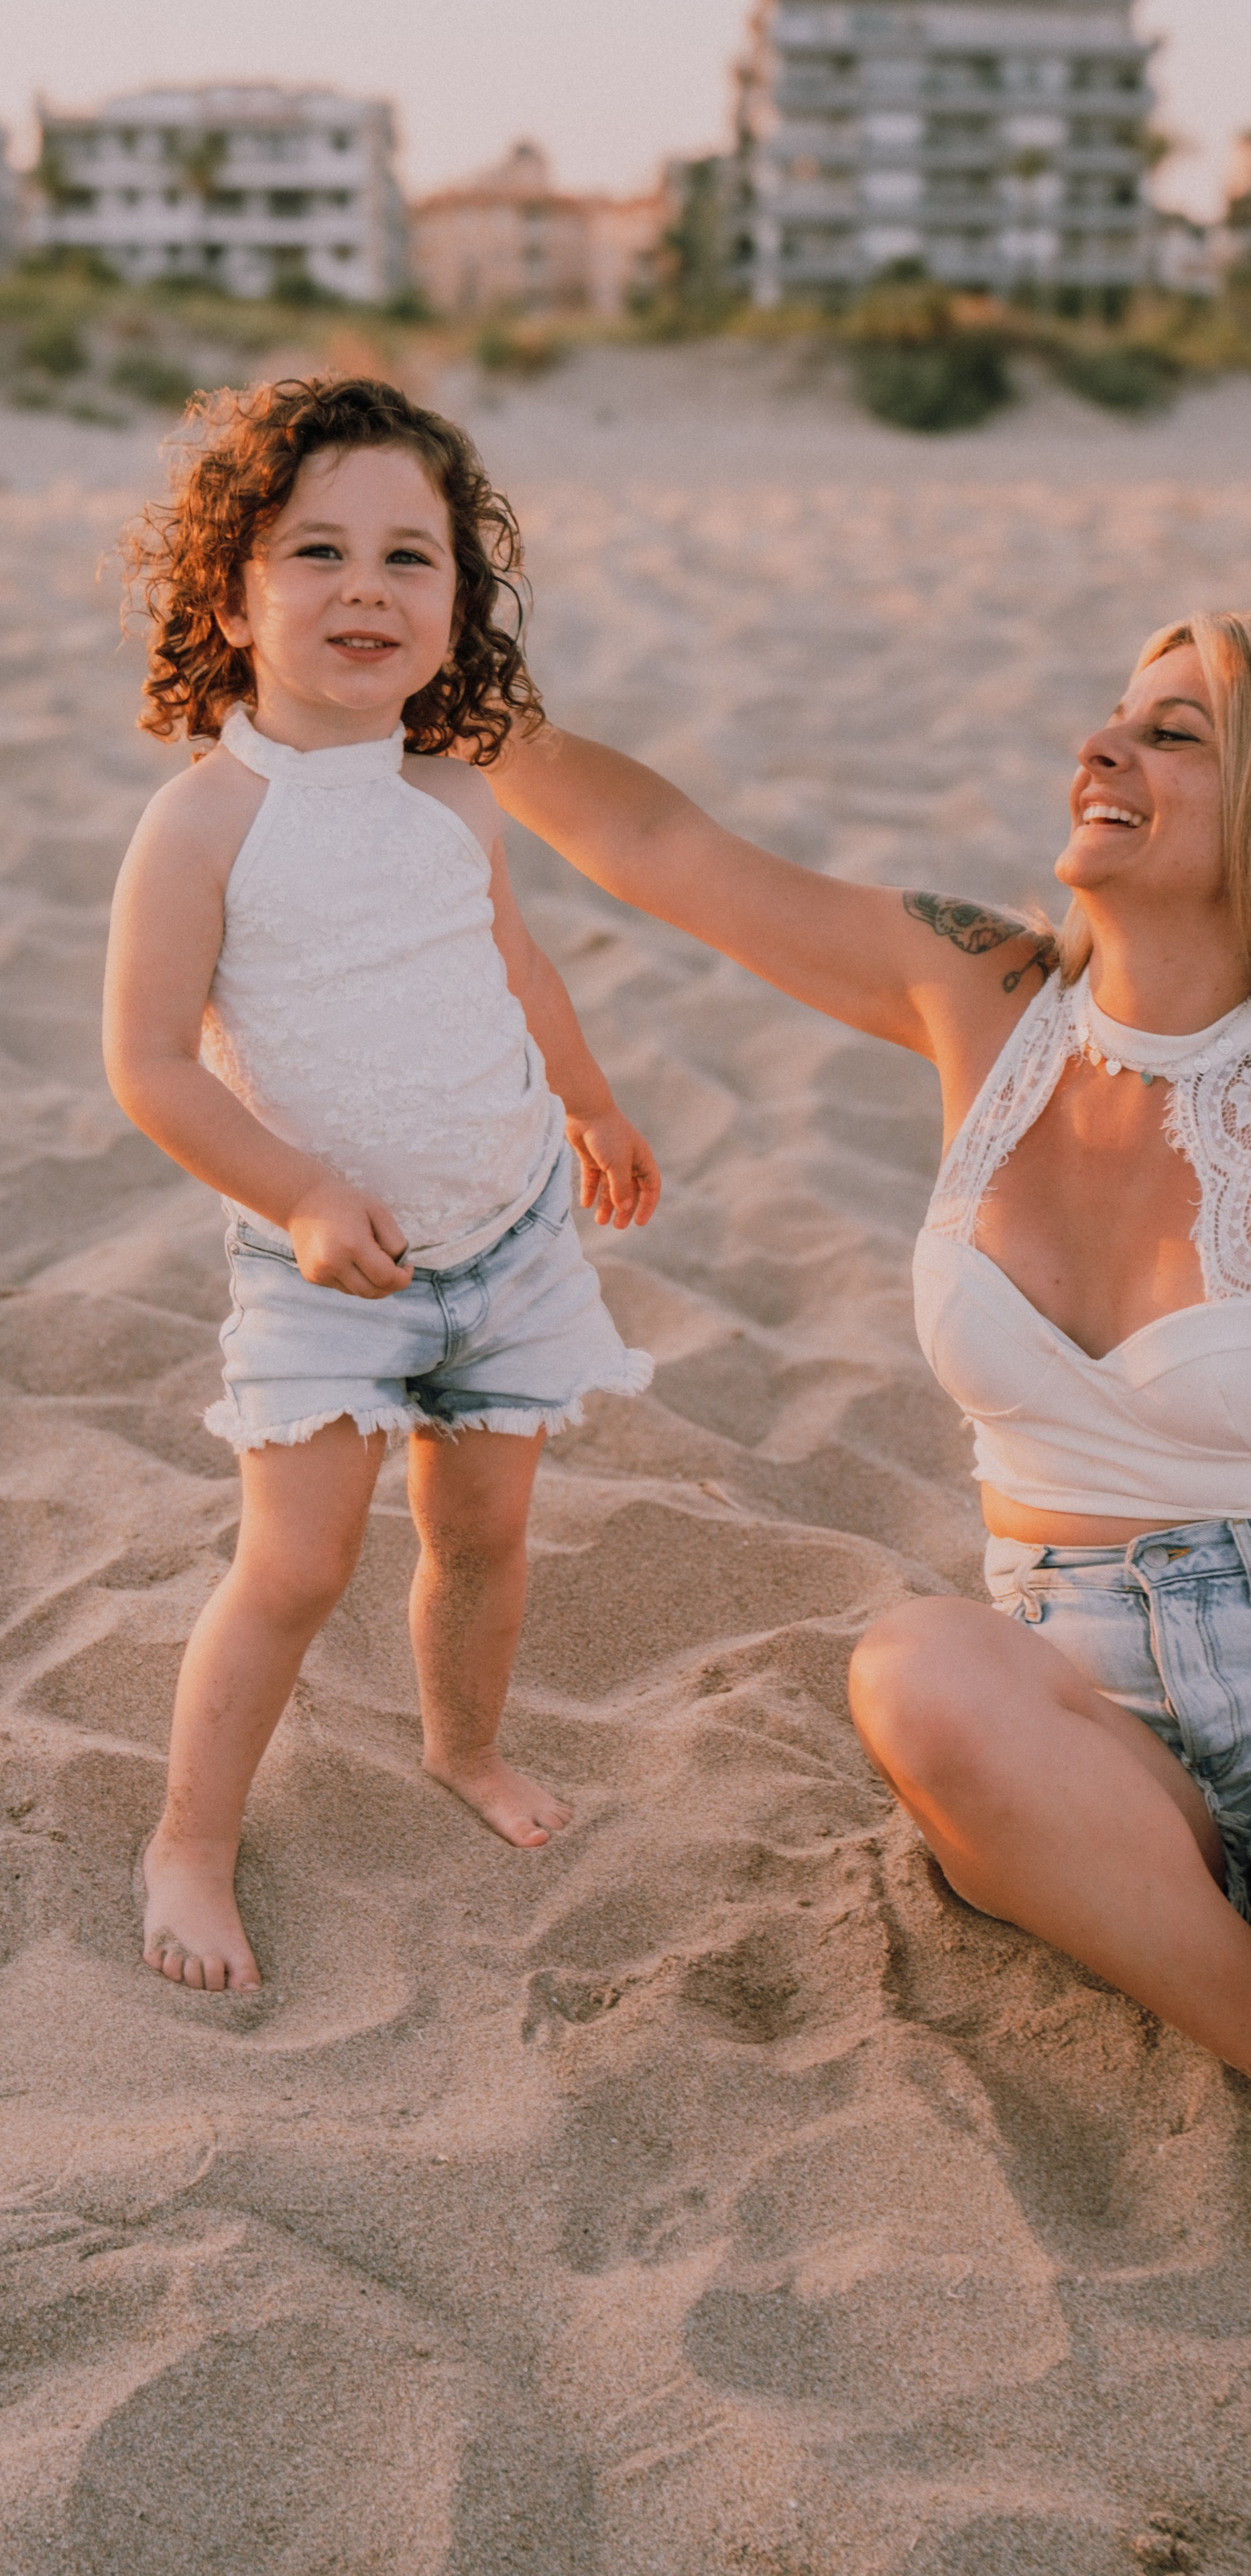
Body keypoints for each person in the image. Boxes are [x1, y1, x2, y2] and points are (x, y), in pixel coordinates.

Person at [473, 607, 1251, 2275]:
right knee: (918, 1669)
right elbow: (654, 841)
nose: (1102, 747)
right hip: (1068, 1677)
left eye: (1174, 733)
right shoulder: (979, 993)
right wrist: (445, 680)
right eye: (1113, 714)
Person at [105, 378, 658, 1994]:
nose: (364, 588)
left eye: (409, 559)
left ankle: (462, 1749)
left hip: (511, 1233)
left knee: (483, 1533)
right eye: (313, 551)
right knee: (294, 1563)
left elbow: (511, 959)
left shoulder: (453, 793)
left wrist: (593, 1102)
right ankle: (192, 1839)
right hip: (321, 1264)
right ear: (231, 595)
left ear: (458, 606)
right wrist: (295, 1194)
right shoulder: (205, 819)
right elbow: (150, 1064)